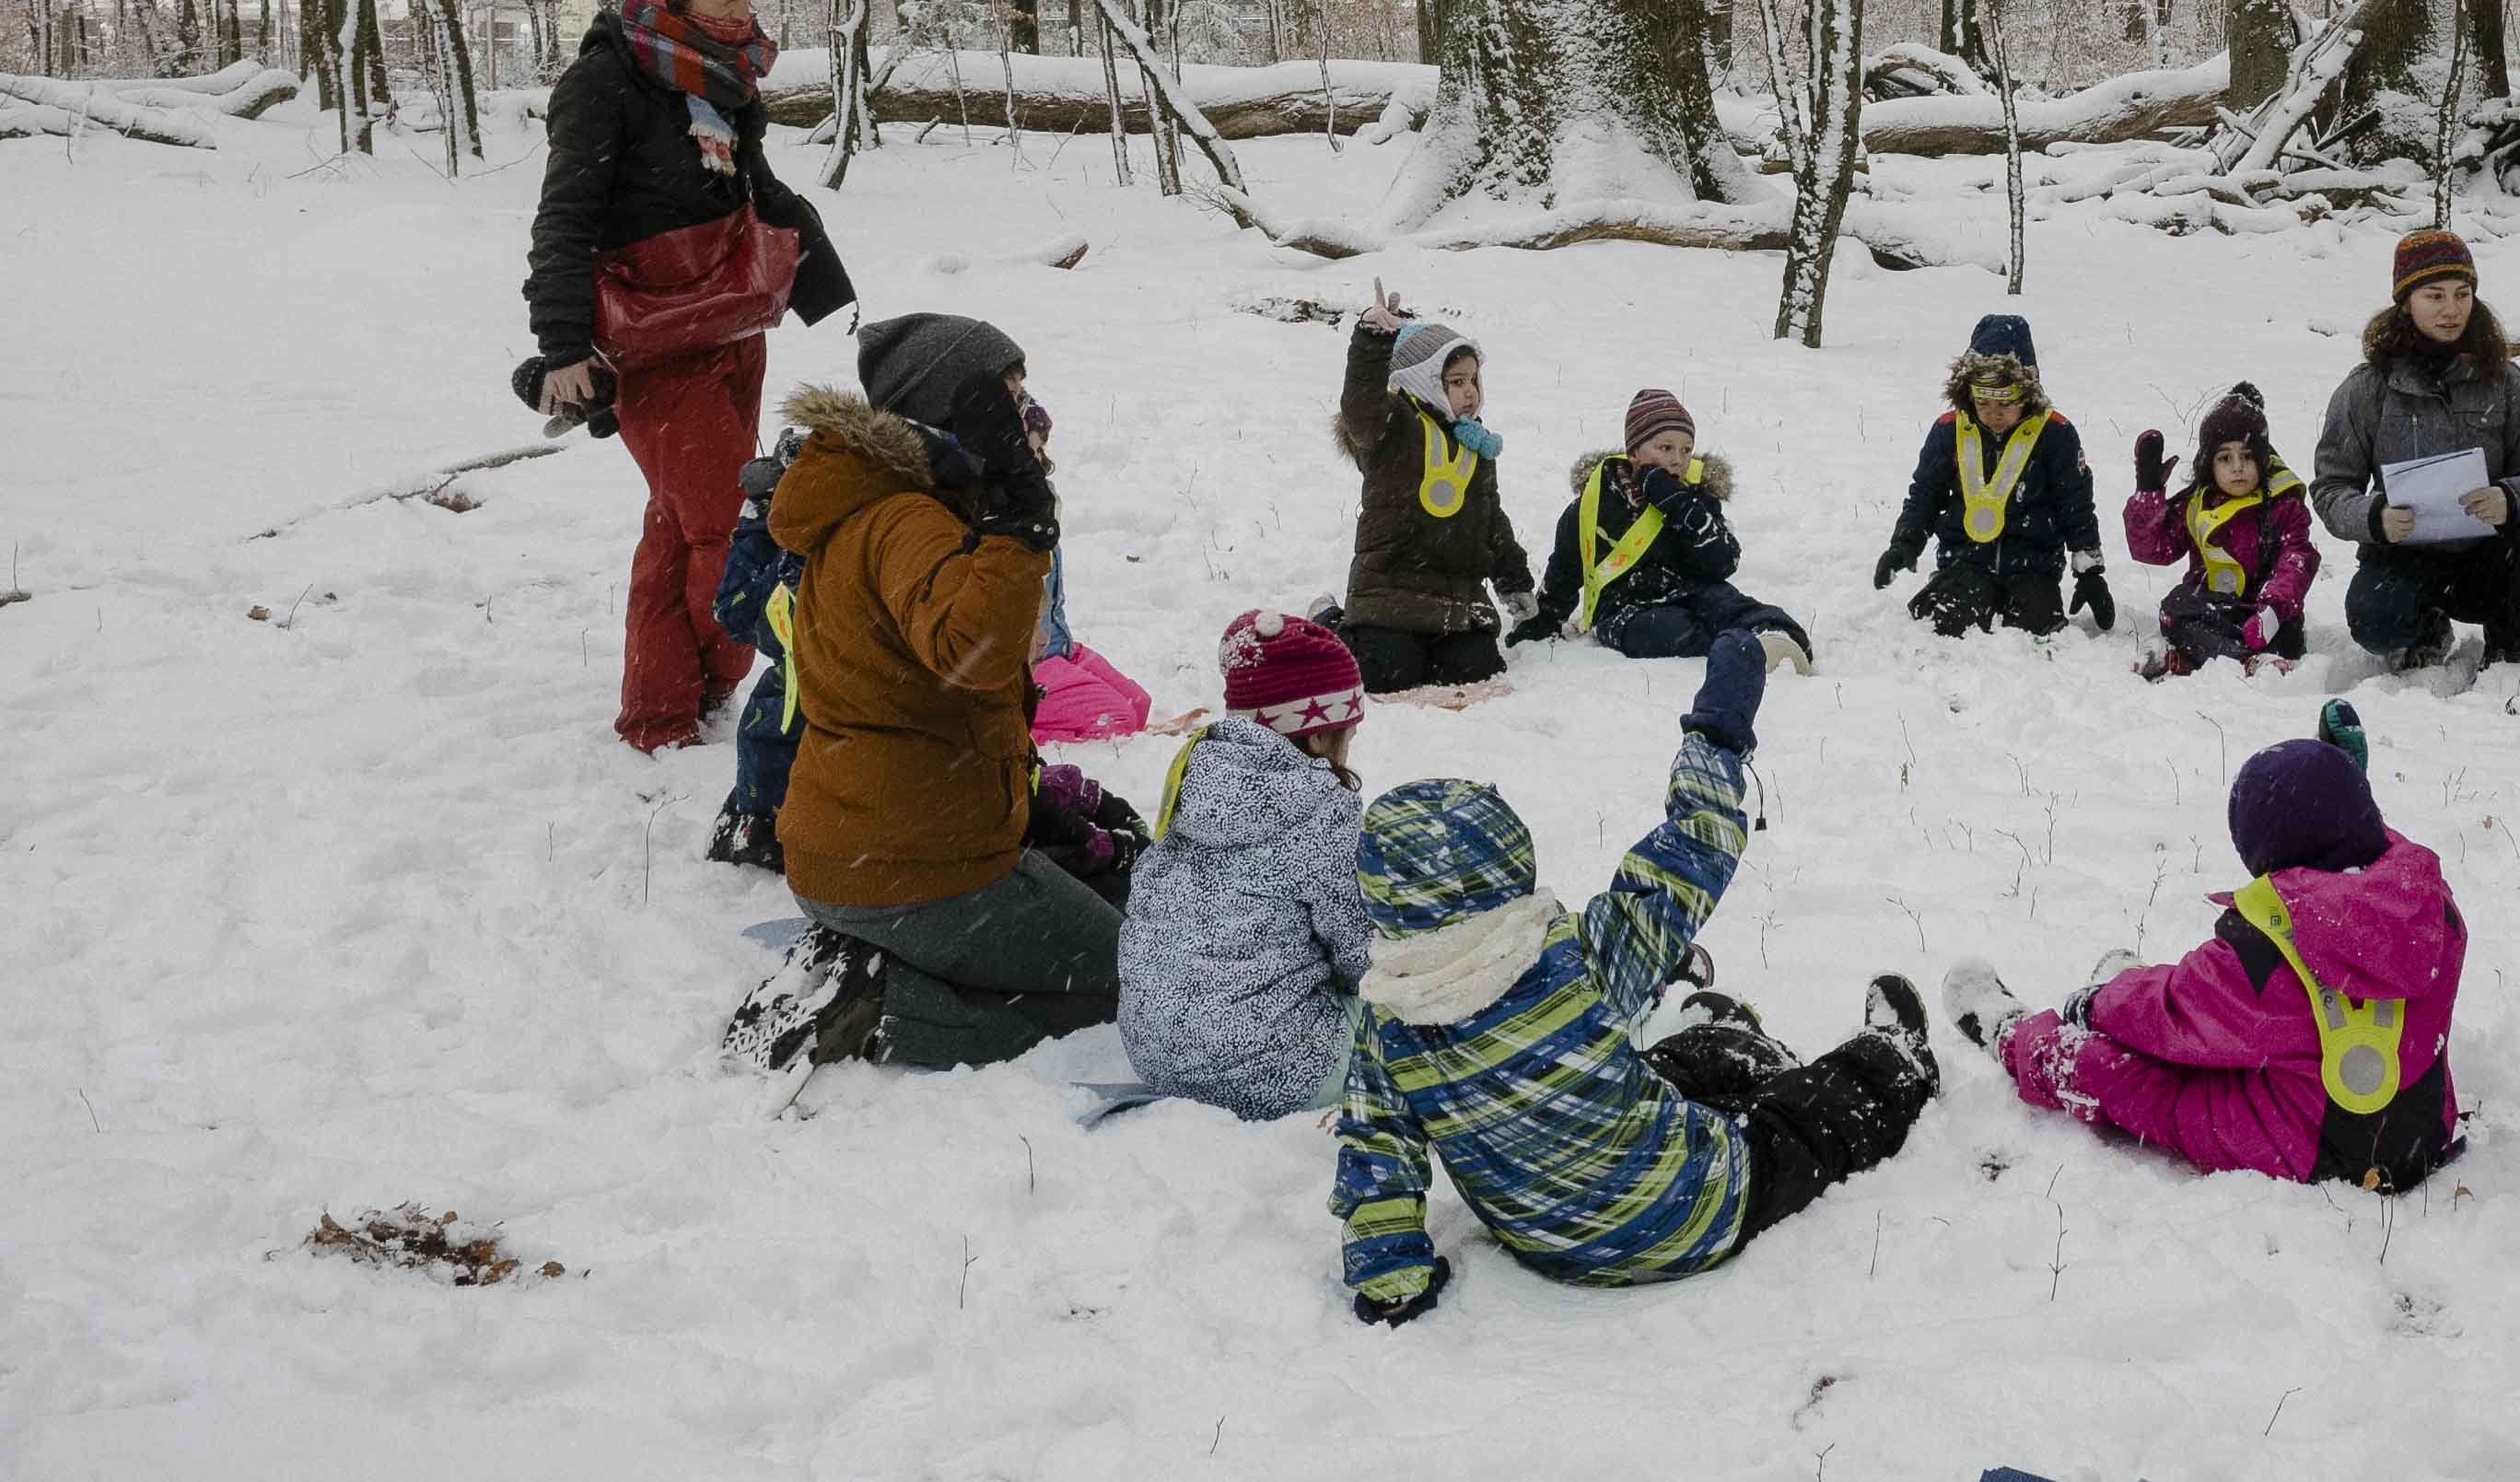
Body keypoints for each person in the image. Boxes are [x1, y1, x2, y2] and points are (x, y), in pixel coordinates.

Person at [1328, 636, 1942, 1323]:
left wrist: (1391, 1280)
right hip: (1694, 1211)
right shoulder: (1582, 959)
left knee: (1656, 1064)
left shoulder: (1390, 1023)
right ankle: (1892, 1058)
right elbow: (1695, 848)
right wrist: (1719, 732)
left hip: (1547, 1244)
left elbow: (1377, 1150)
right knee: (1812, 1123)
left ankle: (1731, 1044)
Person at [722, 314, 1120, 1074]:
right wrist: (1017, 526)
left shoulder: (879, 502)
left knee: (1104, 937)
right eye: (1007, 394)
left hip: (874, 848)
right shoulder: (905, 519)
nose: (1022, 410)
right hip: (916, 871)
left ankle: (878, 956)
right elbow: (973, 653)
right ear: (949, 407)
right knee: (1138, 984)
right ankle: (884, 1004)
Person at [519, 0, 853, 753]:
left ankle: (667, 707)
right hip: (654, 340)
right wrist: (561, 345)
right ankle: (723, 671)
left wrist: (831, 289)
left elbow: (758, 192)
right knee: (730, 523)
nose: (742, 11)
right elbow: (563, 220)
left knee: (678, 524)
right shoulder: (604, 83)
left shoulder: (726, 79)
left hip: (732, 326)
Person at [1942, 730, 2465, 1193]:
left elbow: (2173, 1014)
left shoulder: (2266, 950)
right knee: (2247, 1027)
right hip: (2420, 1129)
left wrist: (2097, 1005)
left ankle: (2013, 1036)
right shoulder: (2429, 903)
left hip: (2312, 1149)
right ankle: (2125, 983)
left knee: (2131, 1077)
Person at [1117, 612, 1380, 1121]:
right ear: (1317, 736)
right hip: (1274, 1072)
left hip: (1155, 1050)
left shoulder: (1196, 776)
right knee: (1413, 1020)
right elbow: (1362, 957)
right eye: (1347, 731)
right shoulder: (1321, 809)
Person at [2310, 229, 2520, 672]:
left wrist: (2508, 498)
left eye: (2463, 294)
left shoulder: (2504, 379)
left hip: (2488, 557)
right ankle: (2426, 628)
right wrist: (2375, 517)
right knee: (2374, 622)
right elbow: (2331, 488)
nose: (2451, 309)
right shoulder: (2367, 388)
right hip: (2404, 556)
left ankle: (2508, 641)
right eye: (2434, 295)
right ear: (2406, 301)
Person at [1328, 282, 1537, 700]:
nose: (1469, 391)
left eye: (1473, 380)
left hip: (1457, 599)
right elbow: (1361, 406)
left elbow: (1491, 519)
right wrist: (1373, 342)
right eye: (1455, 380)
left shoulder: (1476, 447)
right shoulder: (1393, 429)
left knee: (1475, 670)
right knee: (1387, 672)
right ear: (1421, 381)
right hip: (1389, 592)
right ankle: (1333, 623)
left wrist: (1514, 580)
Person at [1522, 388, 1813, 667]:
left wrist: (1680, 505)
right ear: (1634, 452)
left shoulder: (1695, 496)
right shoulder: (1596, 503)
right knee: (1665, 630)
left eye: (1686, 450)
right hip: (1626, 609)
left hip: (1693, 592)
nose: (1678, 459)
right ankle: (1741, 648)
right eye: (1665, 448)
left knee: (1731, 605)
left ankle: (1778, 639)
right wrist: (1540, 623)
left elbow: (1723, 563)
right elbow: (1564, 569)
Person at [1877, 315, 2110, 639]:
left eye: (2005, 403)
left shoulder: (2055, 434)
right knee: (1946, 622)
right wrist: (1904, 545)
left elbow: (2076, 506)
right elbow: (1925, 495)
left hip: (2034, 564)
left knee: (2038, 629)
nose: (1992, 413)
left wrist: (2090, 573)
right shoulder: (1949, 430)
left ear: (2027, 394)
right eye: (1982, 402)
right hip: (1964, 559)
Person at [2125, 384, 2319, 678]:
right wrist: (2148, 493)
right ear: (2209, 463)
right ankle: (2243, 661)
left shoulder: (2283, 506)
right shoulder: (2197, 504)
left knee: (2283, 636)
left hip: (2267, 615)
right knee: (2176, 609)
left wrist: (2273, 608)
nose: (2238, 468)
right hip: (2213, 610)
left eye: (2248, 457)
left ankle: (2199, 658)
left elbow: (2296, 561)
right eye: (2225, 458)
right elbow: (2154, 550)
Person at [702, 438, 804, 869]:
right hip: (794, 669)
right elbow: (736, 613)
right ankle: (759, 830)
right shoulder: (765, 529)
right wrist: (790, 558)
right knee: (774, 730)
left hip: (832, 666)